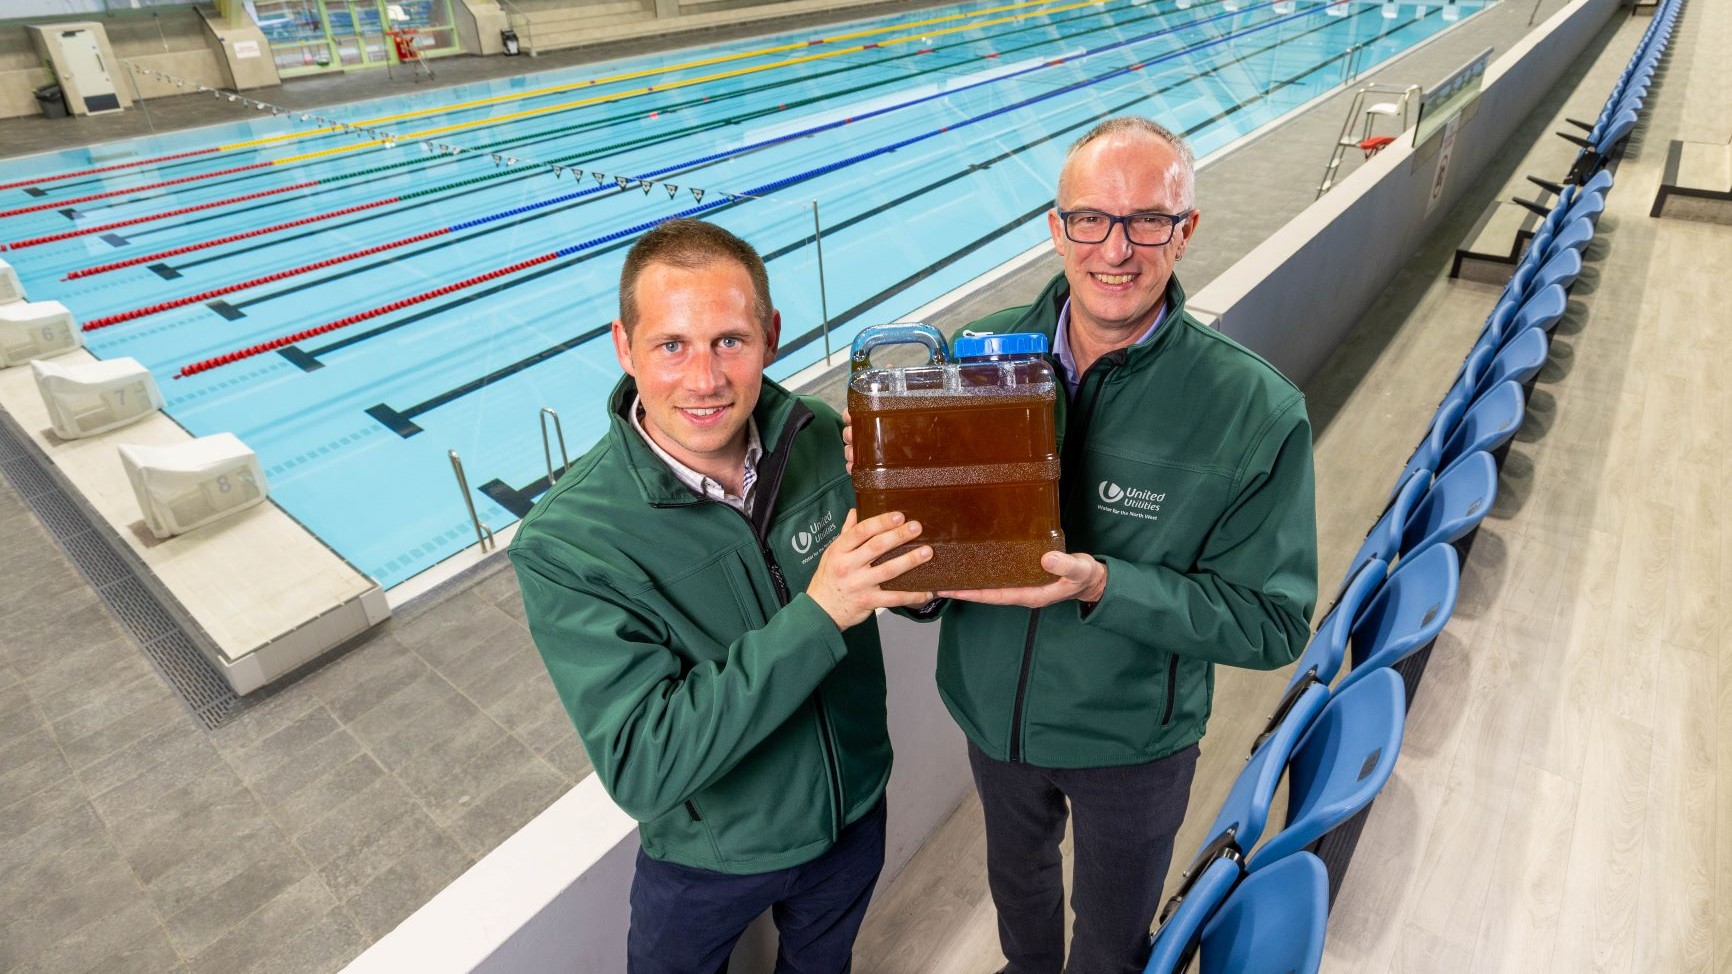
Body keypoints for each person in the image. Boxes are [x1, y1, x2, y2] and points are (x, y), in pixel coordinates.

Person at [937, 117, 1319, 973]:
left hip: (1131, 742)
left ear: (1186, 232)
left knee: (1110, 945)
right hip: (992, 716)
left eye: (1148, 220)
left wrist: (1103, 585)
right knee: (1020, 894)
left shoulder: (1252, 410)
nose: (1116, 248)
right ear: (1056, 227)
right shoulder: (977, 359)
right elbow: (945, 546)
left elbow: (1272, 624)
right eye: (1092, 219)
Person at [510, 218, 934, 974]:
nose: (704, 379)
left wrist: (927, 583)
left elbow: (894, 579)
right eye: (672, 344)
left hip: (853, 810)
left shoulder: (820, 438)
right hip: (708, 860)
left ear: (770, 335)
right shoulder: (569, 542)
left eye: (729, 341)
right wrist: (820, 611)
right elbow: (643, 763)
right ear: (624, 346)